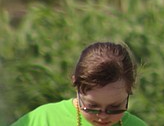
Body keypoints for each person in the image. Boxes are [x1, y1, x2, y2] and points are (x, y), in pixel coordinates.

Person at [12, 41, 147, 126]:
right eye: (92, 106)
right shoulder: (42, 120)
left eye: (114, 107)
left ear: (130, 89)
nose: (103, 116)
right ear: (75, 83)